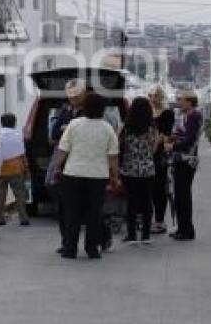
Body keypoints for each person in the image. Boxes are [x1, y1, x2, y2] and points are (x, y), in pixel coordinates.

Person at [52, 92, 120, 260]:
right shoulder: (107, 128)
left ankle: (70, 249)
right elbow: (113, 157)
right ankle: (92, 249)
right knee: (94, 214)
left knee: (71, 212)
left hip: (73, 174)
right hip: (97, 176)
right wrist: (114, 177)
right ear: (102, 110)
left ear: (85, 107)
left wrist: (57, 167)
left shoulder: (74, 124)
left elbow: (63, 150)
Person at [48, 79, 86, 253]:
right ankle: (66, 242)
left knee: (88, 206)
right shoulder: (65, 112)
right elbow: (55, 134)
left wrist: (67, 130)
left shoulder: (90, 112)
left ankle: (101, 237)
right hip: (64, 166)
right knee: (63, 207)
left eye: (76, 96)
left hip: (84, 164)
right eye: (71, 96)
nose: (73, 99)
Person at [119, 96, 158, 245]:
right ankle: (146, 235)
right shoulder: (152, 127)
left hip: (130, 169)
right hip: (147, 169)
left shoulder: (126, 127)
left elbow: (118, 144)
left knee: (132, 202)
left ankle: (132, 235)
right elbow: (154, 148)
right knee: (147, 201)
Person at [166, 88, 202, 241]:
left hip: (186, 159)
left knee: (183, 196)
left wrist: (172, 146)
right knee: (180, 196)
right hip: (181, 159)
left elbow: (189, 140)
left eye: (181, 99)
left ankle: (187, 230)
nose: (179, 102)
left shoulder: (194, 116)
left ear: (189, 101)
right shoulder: (187, 115)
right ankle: (182, 227)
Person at [0, 113, 30, 227]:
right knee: (19, 194)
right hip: (15, 168)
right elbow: (22, 153)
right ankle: (23, 217)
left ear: (2, 122)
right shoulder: (18, 134)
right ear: (14, 123)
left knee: (0, 195)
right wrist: (26, 168)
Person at [149, 85, 175, 234]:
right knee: (148, 188)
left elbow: (164, 134)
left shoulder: (167, 113)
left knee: (160, 187)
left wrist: (153, 147)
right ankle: (150, 218)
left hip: (159, 155)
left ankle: (159, 220)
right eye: (151, 95)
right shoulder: (147, 112)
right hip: (146, 153)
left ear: (161, 96)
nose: (153, 98)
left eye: (156, 95)